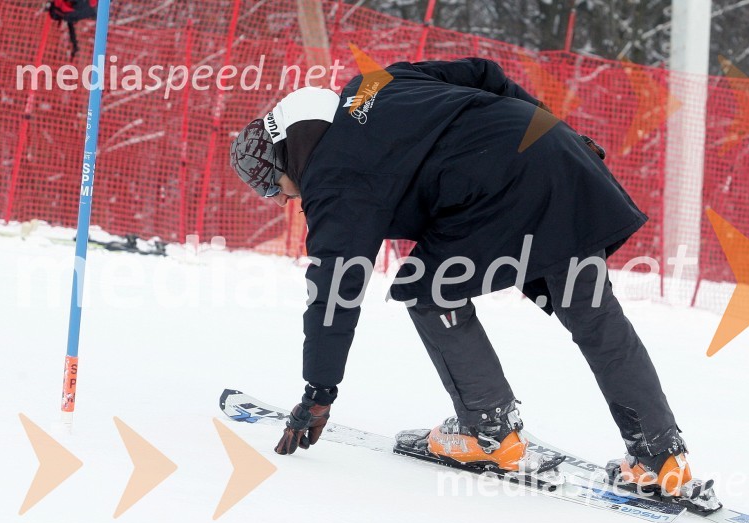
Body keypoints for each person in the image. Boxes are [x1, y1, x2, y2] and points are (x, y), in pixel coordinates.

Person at [230, 58, 693, 498]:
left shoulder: (334, 178)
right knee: (594, 316)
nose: (276, 198)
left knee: (429, 291)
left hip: (501, 189)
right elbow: (483, 73)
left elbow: (334, 291)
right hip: (560, 160)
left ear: (286, 150)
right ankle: (660, 457)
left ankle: (487, 430)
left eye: (269, 182)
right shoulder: (374, 84)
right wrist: (556, 130)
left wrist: (319, 392)